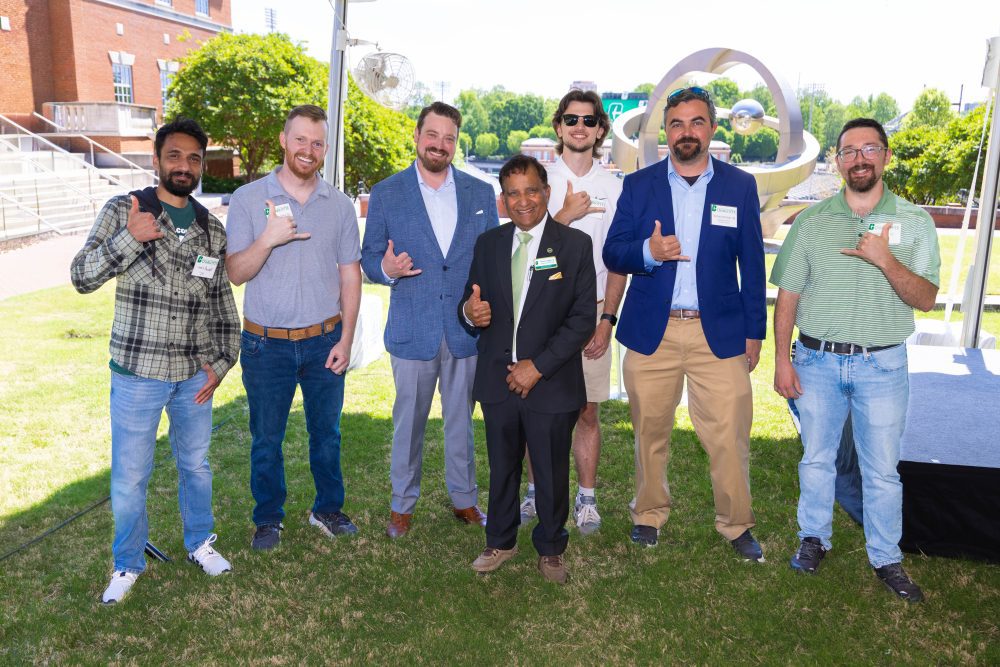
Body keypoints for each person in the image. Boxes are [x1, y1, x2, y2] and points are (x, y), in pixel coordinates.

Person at [71, 118, 240, 604]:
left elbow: (223, 306)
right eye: (174, 156)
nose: (183, 166)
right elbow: (81, 276)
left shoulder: (211, 230)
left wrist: (221, 364)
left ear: (201, 166)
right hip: (137, 374)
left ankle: (200, 543)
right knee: (129, 476)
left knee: (197, 466)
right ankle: (126, 563)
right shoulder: (126, 211)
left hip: (193, 377)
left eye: (193, 159)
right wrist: (130, 238)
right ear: (157, 160)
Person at [772, 117, 940, 602]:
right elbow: (789, 296)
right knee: (817, 460)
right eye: (849, 150)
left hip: (881, 367)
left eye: (870, 148)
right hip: (817, 363)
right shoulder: (812, 222)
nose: (859, 158)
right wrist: (783, 361)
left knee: (882, 469)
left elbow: (926, 298)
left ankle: (886, 557)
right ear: (837, 160)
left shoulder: (914, 222)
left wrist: (885, 258)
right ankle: (813, 539)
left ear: (886, 156)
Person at [603, 87, 767, 560]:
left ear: (711, 129)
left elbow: (752, 266)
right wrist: (648, 254)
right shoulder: (640, 186)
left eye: (696, 122)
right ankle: (648, 514)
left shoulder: (739, 186)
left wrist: (754, 331)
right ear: (667, 132)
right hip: (653, 333)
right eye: (677, 124)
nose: (687, 132)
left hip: (719, 335)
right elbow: (614, 251)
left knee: (729, 434)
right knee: (649, 431)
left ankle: (736, 525)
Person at [225, 104, 362, 550]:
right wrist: (268, 238)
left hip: (325, 340)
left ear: (325, 148)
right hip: (267, 344)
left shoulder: (338, 205)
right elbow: (235, 272)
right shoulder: (249, 199)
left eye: (317, 142)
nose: (308, 149)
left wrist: (346, 338)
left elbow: (349, 274)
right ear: (284, 140)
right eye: (300, 139)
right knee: (266, 438)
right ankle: (268, 518)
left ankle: (328, 509)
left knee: (327, 435)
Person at [361, 102, 499, 538]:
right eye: (433, 135)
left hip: (464, 331)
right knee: (409, 425)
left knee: (462, 424)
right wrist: (387, 271)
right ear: (418, 137)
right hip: (412, 330)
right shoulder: (387, 192)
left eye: (449, 138)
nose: (440, 144)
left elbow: (493, 259)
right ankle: (402, 505)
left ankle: (465, 500)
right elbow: (368, 258)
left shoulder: (479, 194)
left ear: (457, 143)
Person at [462, 155, 596, 583]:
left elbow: (580, 321)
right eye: (513, 193)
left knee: (552, 469)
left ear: (546, 193)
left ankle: (552, 547)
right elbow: (470, 302)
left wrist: (537, 367)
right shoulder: (489, 244)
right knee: (502, 466)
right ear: (504, 199)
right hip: (497, 380)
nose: (523, 201)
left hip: (550, 381)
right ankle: (500, 540)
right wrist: (471, 312)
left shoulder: (573, 246)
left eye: (531, 191)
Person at [518, 90, 626, 536]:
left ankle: (586, 498)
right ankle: (532, 489)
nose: (579, 126)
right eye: (570, 119)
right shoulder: (538, 182)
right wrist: (560, 217)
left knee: (586, 411)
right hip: (540, 311)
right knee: (535, 406)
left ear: (600, 129)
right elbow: (521, 251)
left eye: (588, 120)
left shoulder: (616, 187)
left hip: (593, 311)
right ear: (559, 127)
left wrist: (607, 321)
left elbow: (619, 260)